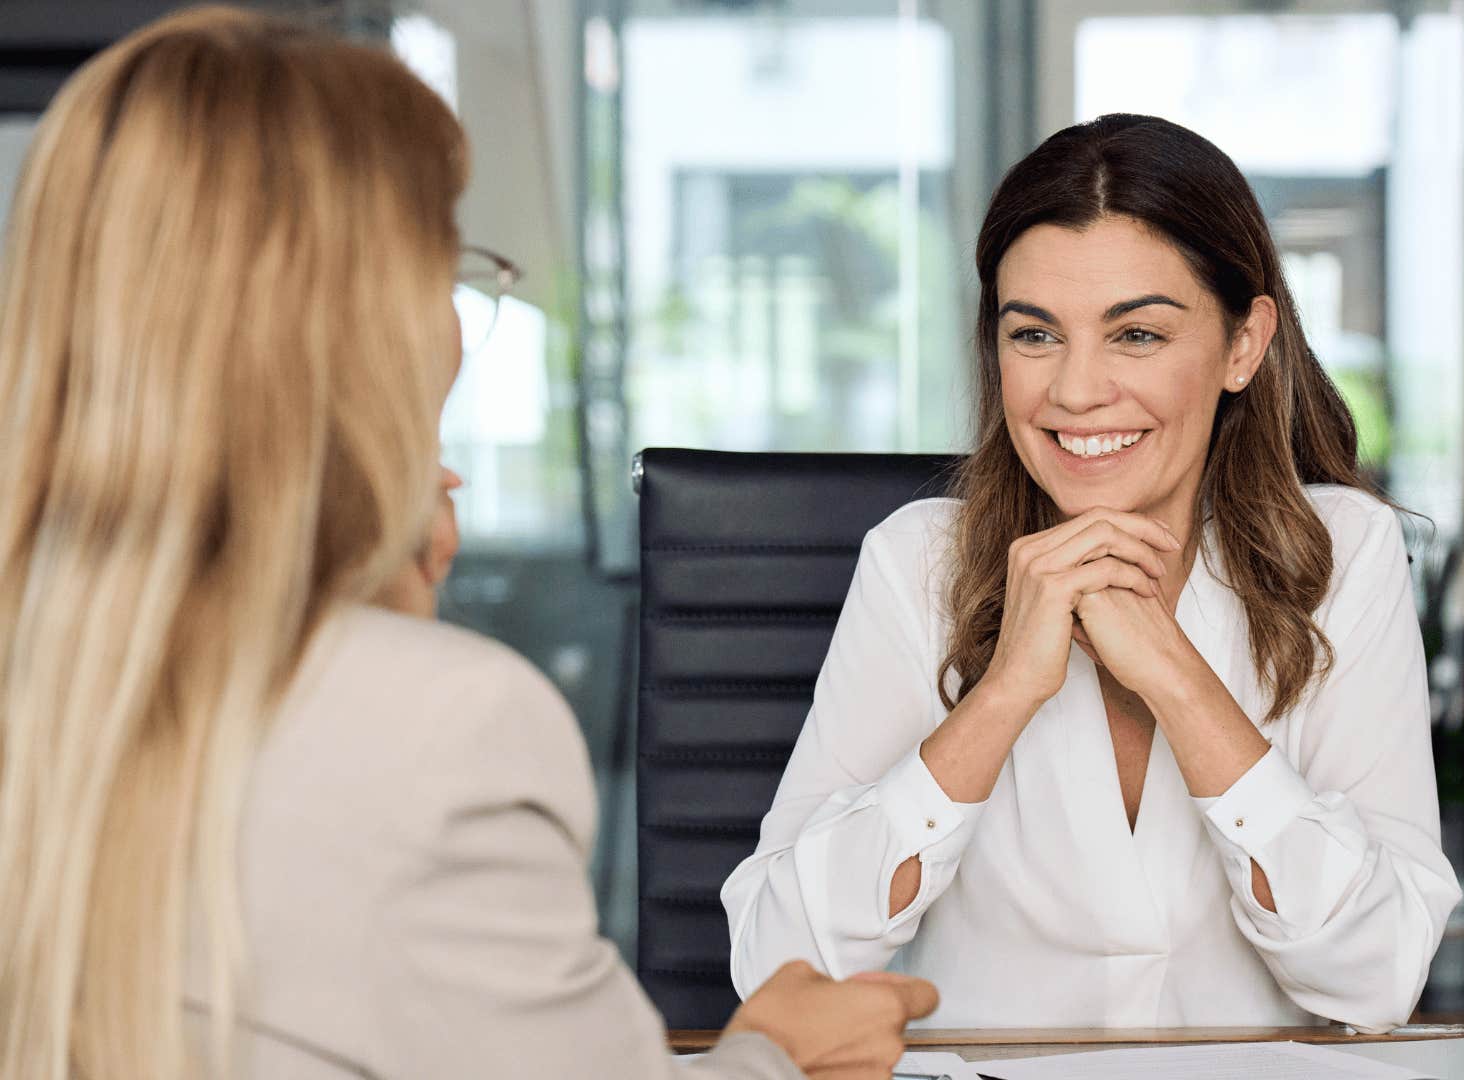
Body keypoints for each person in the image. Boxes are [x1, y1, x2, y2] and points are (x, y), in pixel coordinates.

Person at [0, 8, 934, 1080]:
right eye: (440, 261)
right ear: (361, 321)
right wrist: (777, 1058)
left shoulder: (62, 680)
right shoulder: (446, 731)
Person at [724, 114, 1461, 1032]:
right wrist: (1000, 698)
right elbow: (775, 962)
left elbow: (1376, 973)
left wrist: (1178, 677)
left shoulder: (1341, 555)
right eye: (1034, 335)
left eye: (1137, 336)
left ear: (1243, 344)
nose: (1074, 391)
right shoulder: (920, 562)